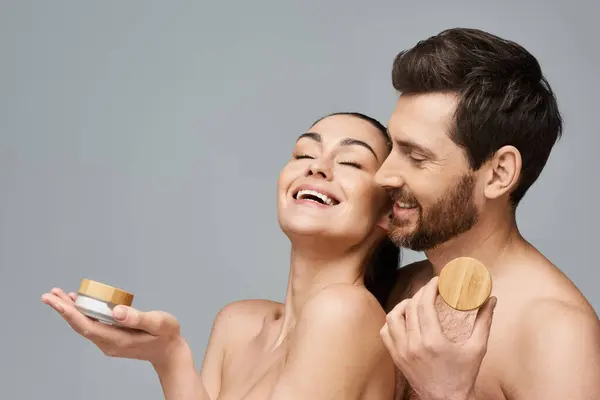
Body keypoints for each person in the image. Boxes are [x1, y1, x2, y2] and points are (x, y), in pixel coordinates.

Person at [42, 112, 443, 400]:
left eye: (351, 162)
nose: (317, 168)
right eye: (304, 154)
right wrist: (166, 355)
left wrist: (175, 360)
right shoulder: (237, 323)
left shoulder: (347, 311)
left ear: (388, 215)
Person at [377, 28, 600, 400]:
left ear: (498, 174)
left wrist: (446, 393)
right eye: (391, 147)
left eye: (416, 157)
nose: (384, 173)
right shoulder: (407, 286)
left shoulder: (556, 334)